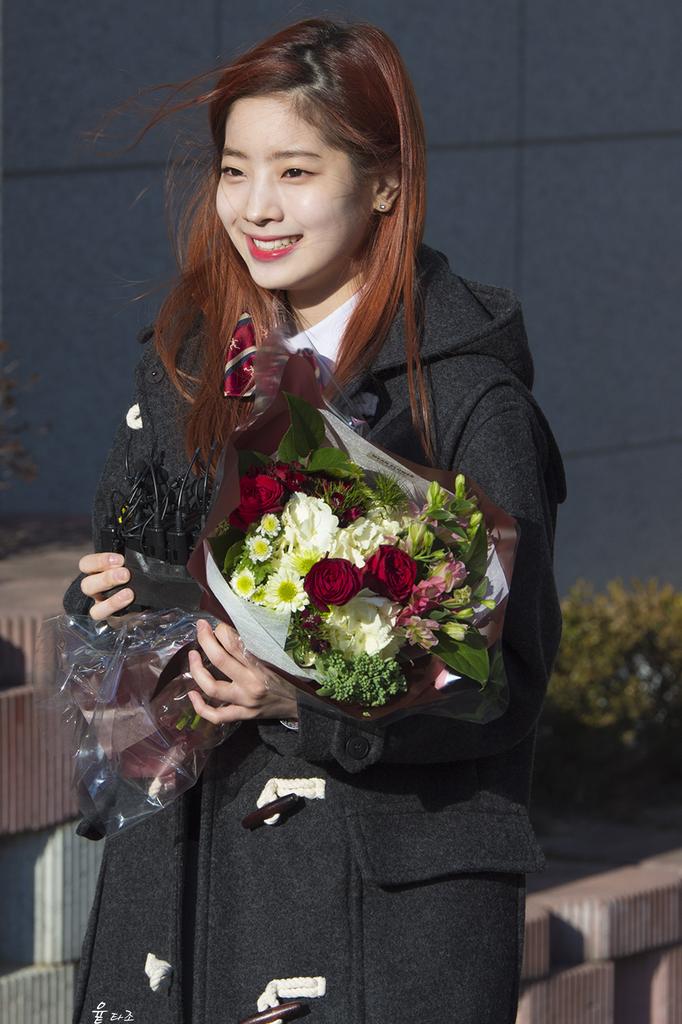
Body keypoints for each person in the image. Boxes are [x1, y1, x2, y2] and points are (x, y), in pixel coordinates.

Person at [63, 16, 567, 1024]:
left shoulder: (461, 402)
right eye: (235, 169)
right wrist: (120, 604)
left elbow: (501, 685)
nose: (256, 206)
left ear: (383, 183)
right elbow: (124, 589)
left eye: (295, 171)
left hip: (375, 911)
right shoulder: (188, 368)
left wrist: (297, 696)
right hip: (184, 895)